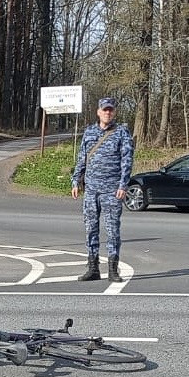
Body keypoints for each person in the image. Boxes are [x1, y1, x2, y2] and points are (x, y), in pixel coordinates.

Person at [70, 97, 135, 281]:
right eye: (104, 110)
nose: (107, 113)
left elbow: (127, 161)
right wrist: (76, 180)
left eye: (110, 110)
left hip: (111, 190)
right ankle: (93, 268)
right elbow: (82, 158)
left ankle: (113, 270)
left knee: (113, 229)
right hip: (91, 190)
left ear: (114, 112)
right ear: (98, 112)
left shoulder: (121, 132)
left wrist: (123, 184)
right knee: (91, 228)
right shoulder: (89, 132)